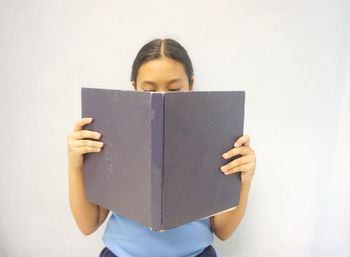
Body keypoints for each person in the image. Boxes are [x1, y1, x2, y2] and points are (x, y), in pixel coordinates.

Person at [67, 38, 256, 257]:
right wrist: (75, 165)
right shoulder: (112, 134)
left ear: (191, 86)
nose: (162, 98)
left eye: (175, 89)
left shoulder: (215, 138)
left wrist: (244, 182)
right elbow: (88, 224)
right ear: (134, 88)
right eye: (148, 90)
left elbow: (223, 231)